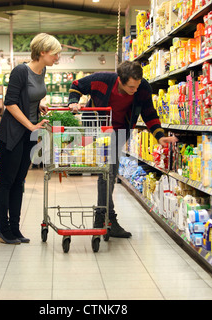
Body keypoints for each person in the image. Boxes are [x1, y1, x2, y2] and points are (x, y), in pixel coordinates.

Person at [68, 60, 178, 238]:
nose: (135, 90)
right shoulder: (102, 80)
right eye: (131, 87)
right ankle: (105, 219)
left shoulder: (143, 88)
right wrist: (73, 102)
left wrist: (159, 136)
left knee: (109, 173)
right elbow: (76, 85)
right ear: (120, 79)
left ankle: (104, 219)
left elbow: (149, 112)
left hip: (119, 132)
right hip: (97, 128)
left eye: (137, 86)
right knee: (108, 173)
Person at [0, 33, 61, 244]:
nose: (57, 57)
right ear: (42, 52)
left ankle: (15, 228)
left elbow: (29, 97)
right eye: (55, 53)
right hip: (13, 134)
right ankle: (3, 230)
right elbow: (10, 103)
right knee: (7, 181)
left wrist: (37, 106)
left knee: (19, 181)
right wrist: (31, 124)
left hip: (28, 135)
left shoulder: (42, 71)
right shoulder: (20, 71)